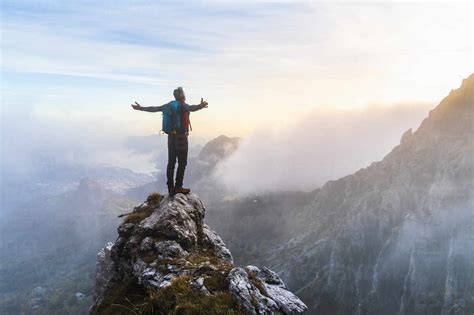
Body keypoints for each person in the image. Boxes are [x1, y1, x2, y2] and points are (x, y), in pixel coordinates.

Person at [131, 87, 208, 195]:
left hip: (170, 138)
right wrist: (201, 106)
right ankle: (178, 187)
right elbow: (192, 108)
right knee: (182, 163)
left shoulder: (167, 106)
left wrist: (140, 108)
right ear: (182, 95)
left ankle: (170, 187)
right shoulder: (183, 106)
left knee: (171, 163)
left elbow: (154, 108)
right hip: (181, 139)